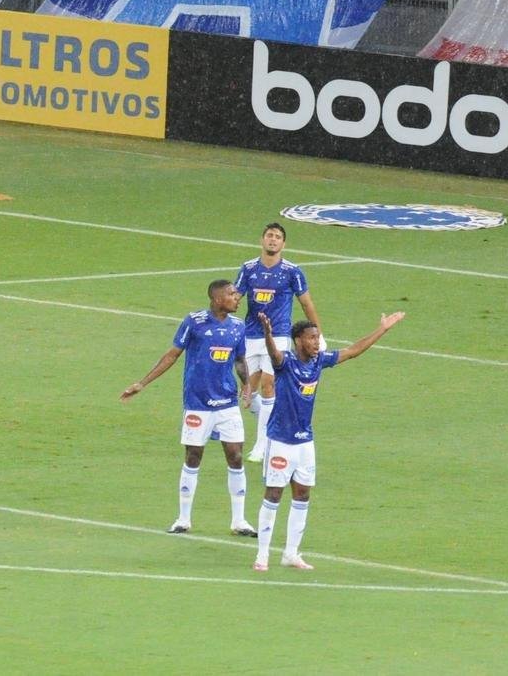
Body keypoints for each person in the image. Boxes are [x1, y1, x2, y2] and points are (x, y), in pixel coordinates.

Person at [253, 310, 405, 572]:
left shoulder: (318, 362)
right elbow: (274, 354)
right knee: (274, 494)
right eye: (312, 338)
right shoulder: (286, 362)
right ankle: (262, 555)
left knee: (302, 494)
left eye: (318, 337)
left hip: (305, 442)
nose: (317, 342)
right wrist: (267, 334)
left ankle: (291, 553)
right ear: (299, 340)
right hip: (280, 440)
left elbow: (353, 351)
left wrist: (382, 329)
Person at [121, 280, 257, 537]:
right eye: (231, 294)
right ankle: (183, 519)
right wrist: (143, 383)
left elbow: (239, 359)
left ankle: (239, 521)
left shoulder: (238, 327)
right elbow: (172, 354)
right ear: (217, 299)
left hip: (227, 404)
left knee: (236, 457)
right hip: (198, 404)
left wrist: (247, 384)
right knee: (193, 457)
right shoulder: (194, 322)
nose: (237, 297)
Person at [234, 222, 323, 461]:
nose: (273, 240)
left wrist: (319, 336)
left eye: (277, 237)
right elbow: (235, 297)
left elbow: (306, 304)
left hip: (279, 336)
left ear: (284, 244)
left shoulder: (292, 271)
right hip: (251, 335)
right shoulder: (248, 268)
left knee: (268, 385)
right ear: (262, 240)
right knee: (247, 394)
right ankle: (275, 420)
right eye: (269, 236)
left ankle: (263, 444)